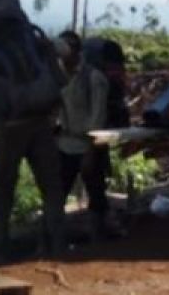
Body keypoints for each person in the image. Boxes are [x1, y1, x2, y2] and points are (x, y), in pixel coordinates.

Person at [0, 0, 67, 261]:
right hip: (41, 123)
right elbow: (59, 77)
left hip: (9, 126)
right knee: (51, 189)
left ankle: (1, 253)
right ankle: (58, 247)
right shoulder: (35, 39)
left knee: (3, 193)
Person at [55, 30, 124, 241]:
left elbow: (98, 117)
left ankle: (99, 236)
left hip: (89, 144)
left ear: (76, 51)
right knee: (57, 194)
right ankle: (55, 240)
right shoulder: (57, 76)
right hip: (65, 144)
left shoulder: (94, 79)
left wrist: (91, 151)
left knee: (96, 192)